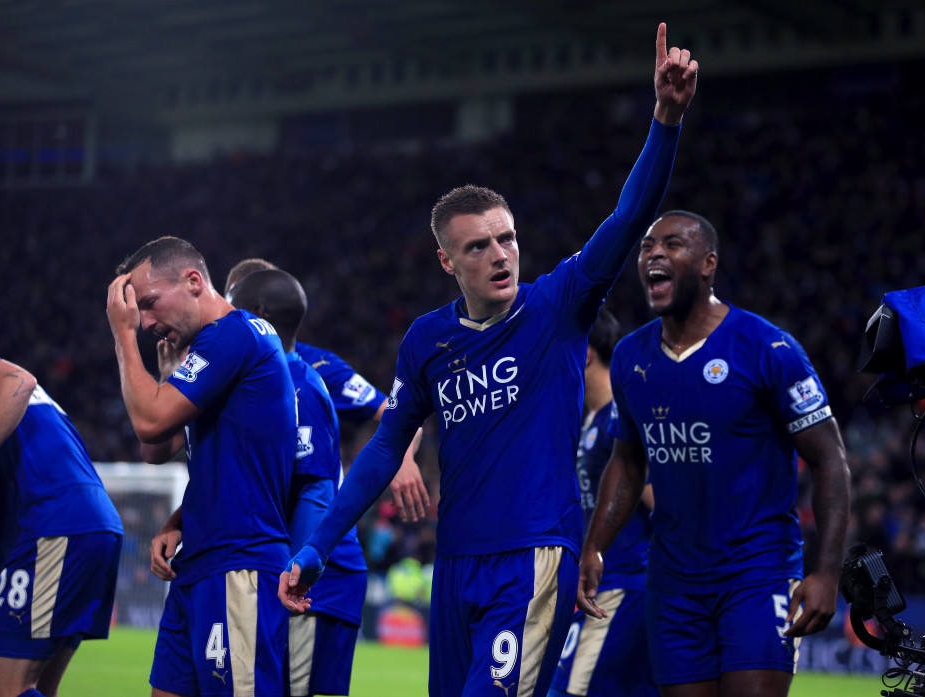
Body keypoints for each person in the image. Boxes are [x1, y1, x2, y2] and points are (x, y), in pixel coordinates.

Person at [281, 23, 698, 697]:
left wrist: (666, 122)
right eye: (479, 246)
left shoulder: (559, 304)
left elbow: (627, 217)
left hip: (534, 554)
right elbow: (387, 445)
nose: (501, 254)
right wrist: (316, 544)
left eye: (507, 238)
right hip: (456, 562)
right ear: (447, 260)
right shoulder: (426, 341)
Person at [577, 211, 851, 697]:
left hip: (756, 571)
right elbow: (627, 460)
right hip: (673, 582)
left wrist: (827, 571)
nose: (655, 253)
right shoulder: (630, 357)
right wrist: (595, 546)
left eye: (673, 244)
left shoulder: (768, 348)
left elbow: (830, 459)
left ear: (708, 264)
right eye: (647, 246)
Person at [106, 236, 296, 696]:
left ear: (194, 281)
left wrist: (123, 334)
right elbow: (159, 450)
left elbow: (150, 423)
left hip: (240, 562)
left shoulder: (234, 334)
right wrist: (179, 519)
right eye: (137, 310)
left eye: (150, 303)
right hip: (201, 563)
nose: (146, 320)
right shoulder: (214, 349)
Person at [227, 268, 367, 697]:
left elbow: (315, 489)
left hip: (314, 575)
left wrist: (297, 567)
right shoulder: (252, 376)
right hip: (298, 570)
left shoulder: (299, 384)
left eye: (232, 309)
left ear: (259, 315)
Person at [224, 258, 430, 523]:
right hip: (260, 532)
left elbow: (404, 419)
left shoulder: (319, 366)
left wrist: (401, 458)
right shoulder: (223, 373)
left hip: (320, 540)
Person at [0, 359, 123, 697]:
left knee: (8, 687)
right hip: (83, 523)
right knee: (38, 687)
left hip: (54, 524)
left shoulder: (8, 384)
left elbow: (19, 379)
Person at [549, 309, 657, 697]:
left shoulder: (620, 416)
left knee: (566, 692)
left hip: (623, 585)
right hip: (607, 586)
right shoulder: (591, 419)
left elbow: (660, 501)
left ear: (587, 352)